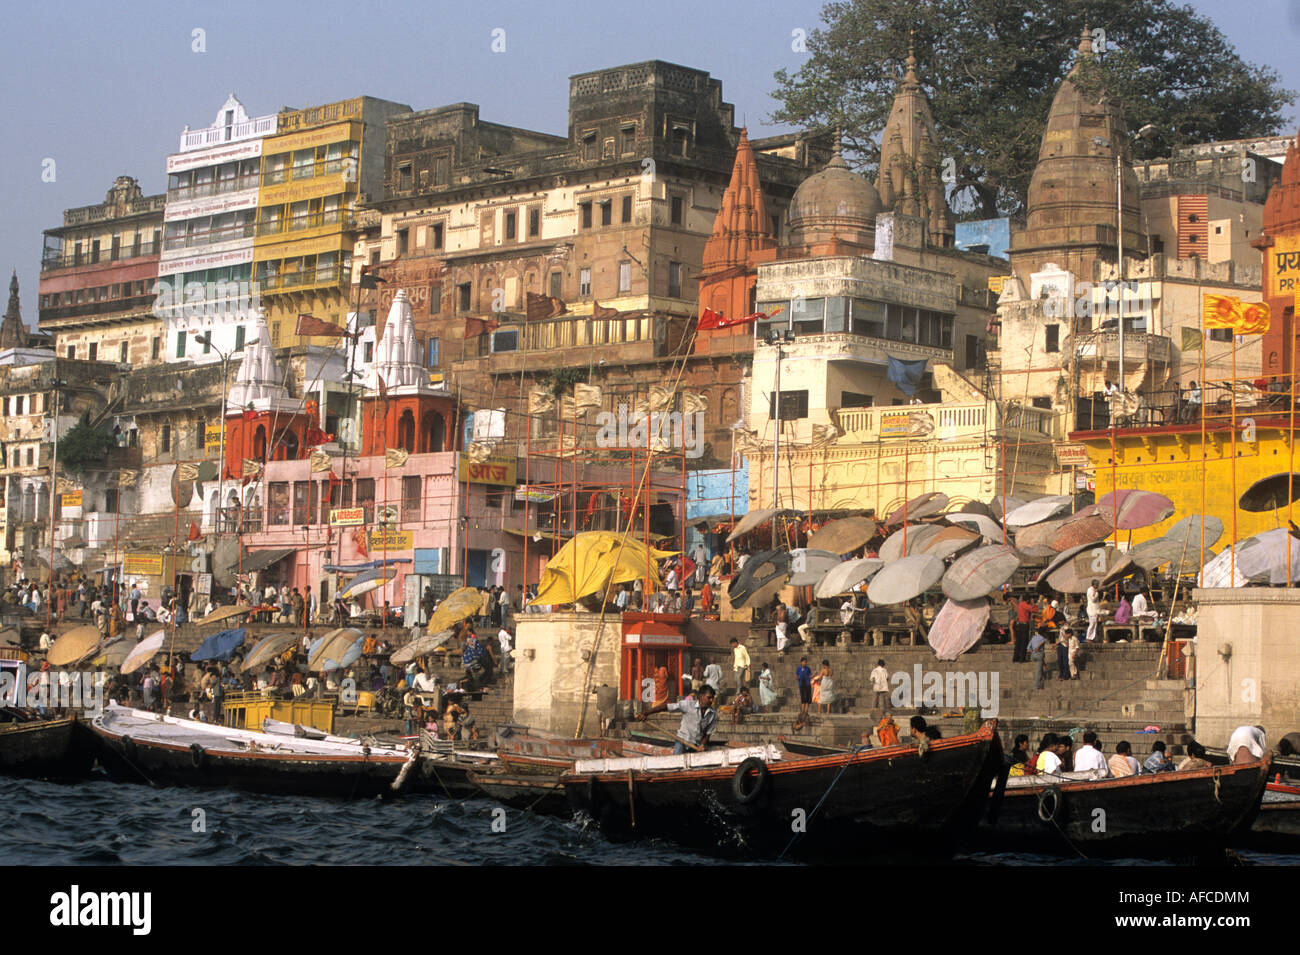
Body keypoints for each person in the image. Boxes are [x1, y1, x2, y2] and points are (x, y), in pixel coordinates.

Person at [638, 683, 717, 755]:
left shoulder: (713, 714)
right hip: (682, 741)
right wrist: (646, 713)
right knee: (677, 762)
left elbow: (707, 734)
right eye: (709, 697)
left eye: (712, 698)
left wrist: (702, 745)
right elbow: (666, 707)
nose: (711, 700)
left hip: (696, 745)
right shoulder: (688, 705)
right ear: (701, 696)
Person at [1014, 593, 1034, 662]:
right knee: (1024, 642)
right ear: (1028, 600)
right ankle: (1022, 658)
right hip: (1024, 625)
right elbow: (1035, 610)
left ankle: (1015, 658)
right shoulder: (1025, 605)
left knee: (1018, 642)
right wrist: (1033, 603)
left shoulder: (1020, 604)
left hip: (1019, 624)